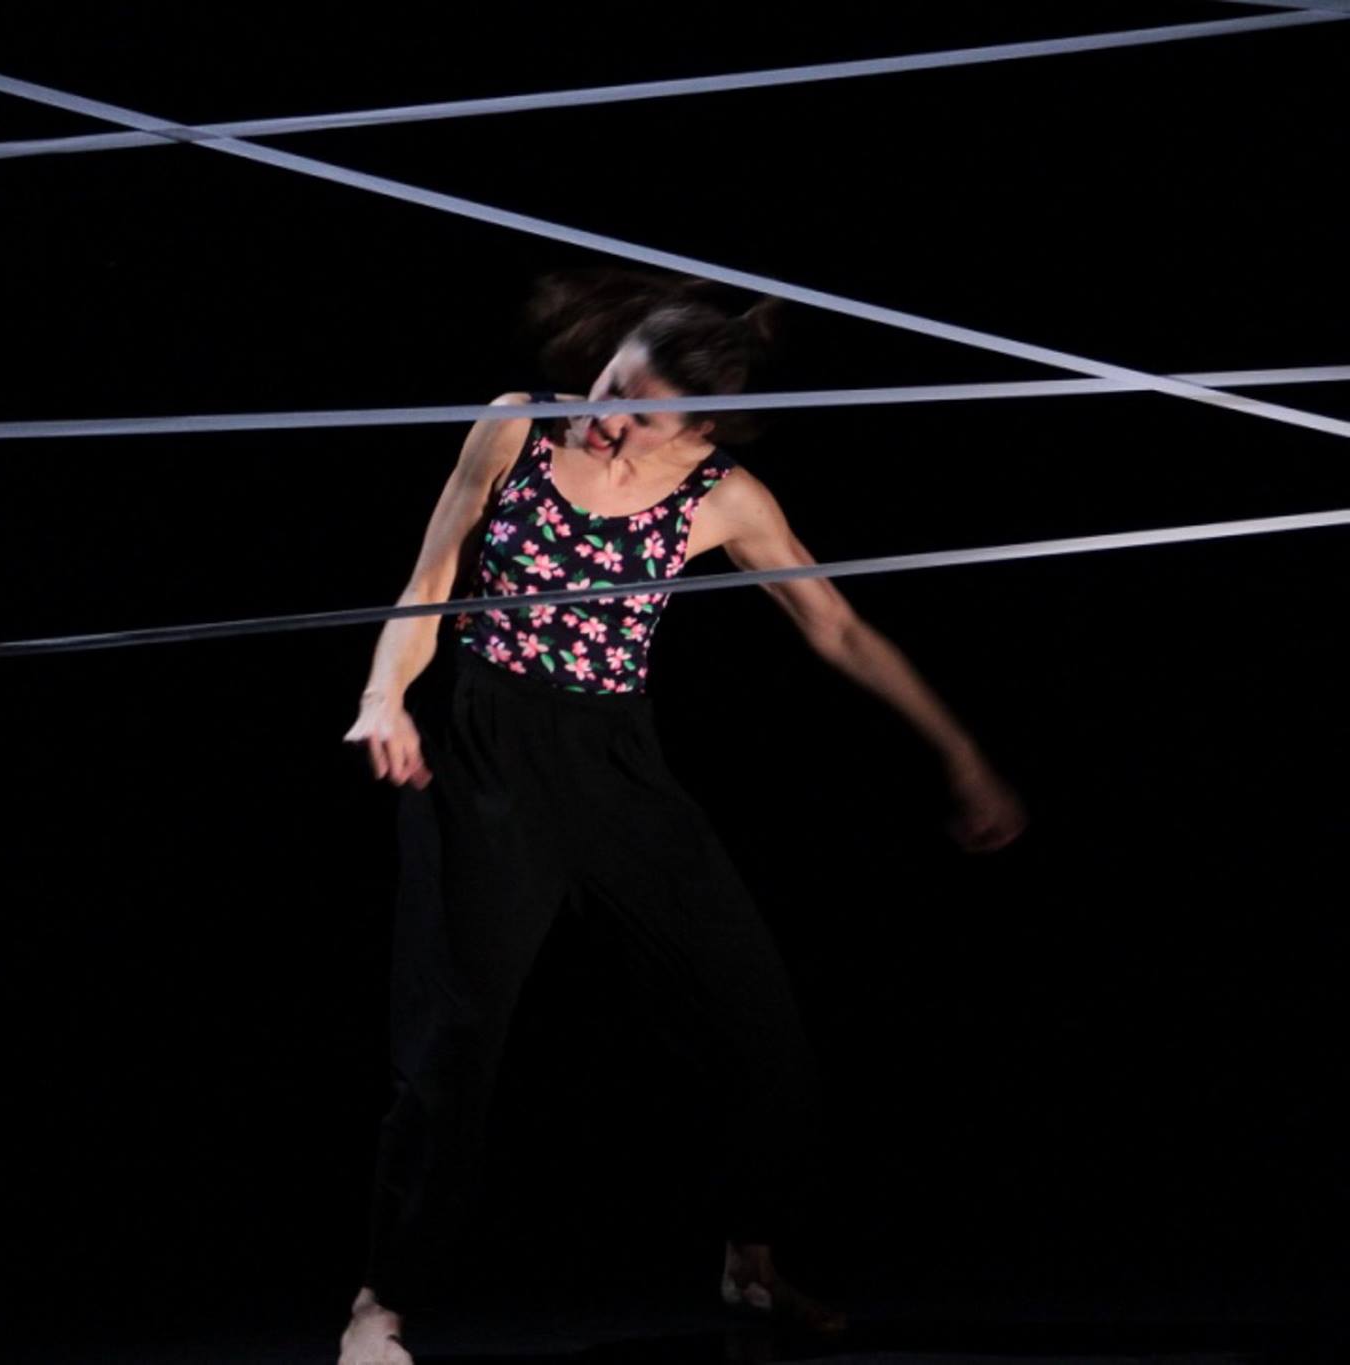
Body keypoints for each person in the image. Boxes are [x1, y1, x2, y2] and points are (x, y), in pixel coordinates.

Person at [335, 270, 1028, 1365]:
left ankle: (749, 1263)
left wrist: (962, 755)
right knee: (456, 1044)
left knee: (762, 1031)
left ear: (697, 426)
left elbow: (837, 631)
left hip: (618, 764)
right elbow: (429, 584)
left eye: (638, 413)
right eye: (610, 386)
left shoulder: (722, 499)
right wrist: (384, 695)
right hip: (487, 758)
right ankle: (381, 1306)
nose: (605, 419)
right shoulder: (515, 429)